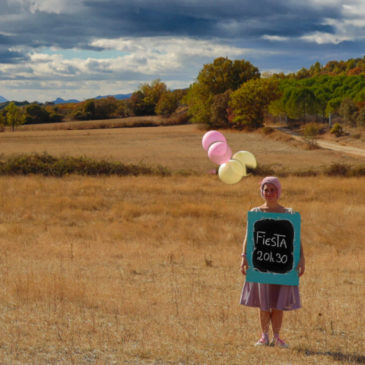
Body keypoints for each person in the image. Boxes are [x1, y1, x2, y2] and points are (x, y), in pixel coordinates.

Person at [240, 176, 305, 348]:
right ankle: (264, 336)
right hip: (261, 265)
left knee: (278, 304)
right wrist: (244, 257)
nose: (269, 193)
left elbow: (296, 239)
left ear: (279, 191)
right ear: (262, 191)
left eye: (272, 190)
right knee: (263, 303)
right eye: (265, 189)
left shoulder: (289, 214)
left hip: (283, 266)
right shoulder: (255, 213)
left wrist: (301, 259)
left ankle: (277, 337)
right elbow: (249, 237)